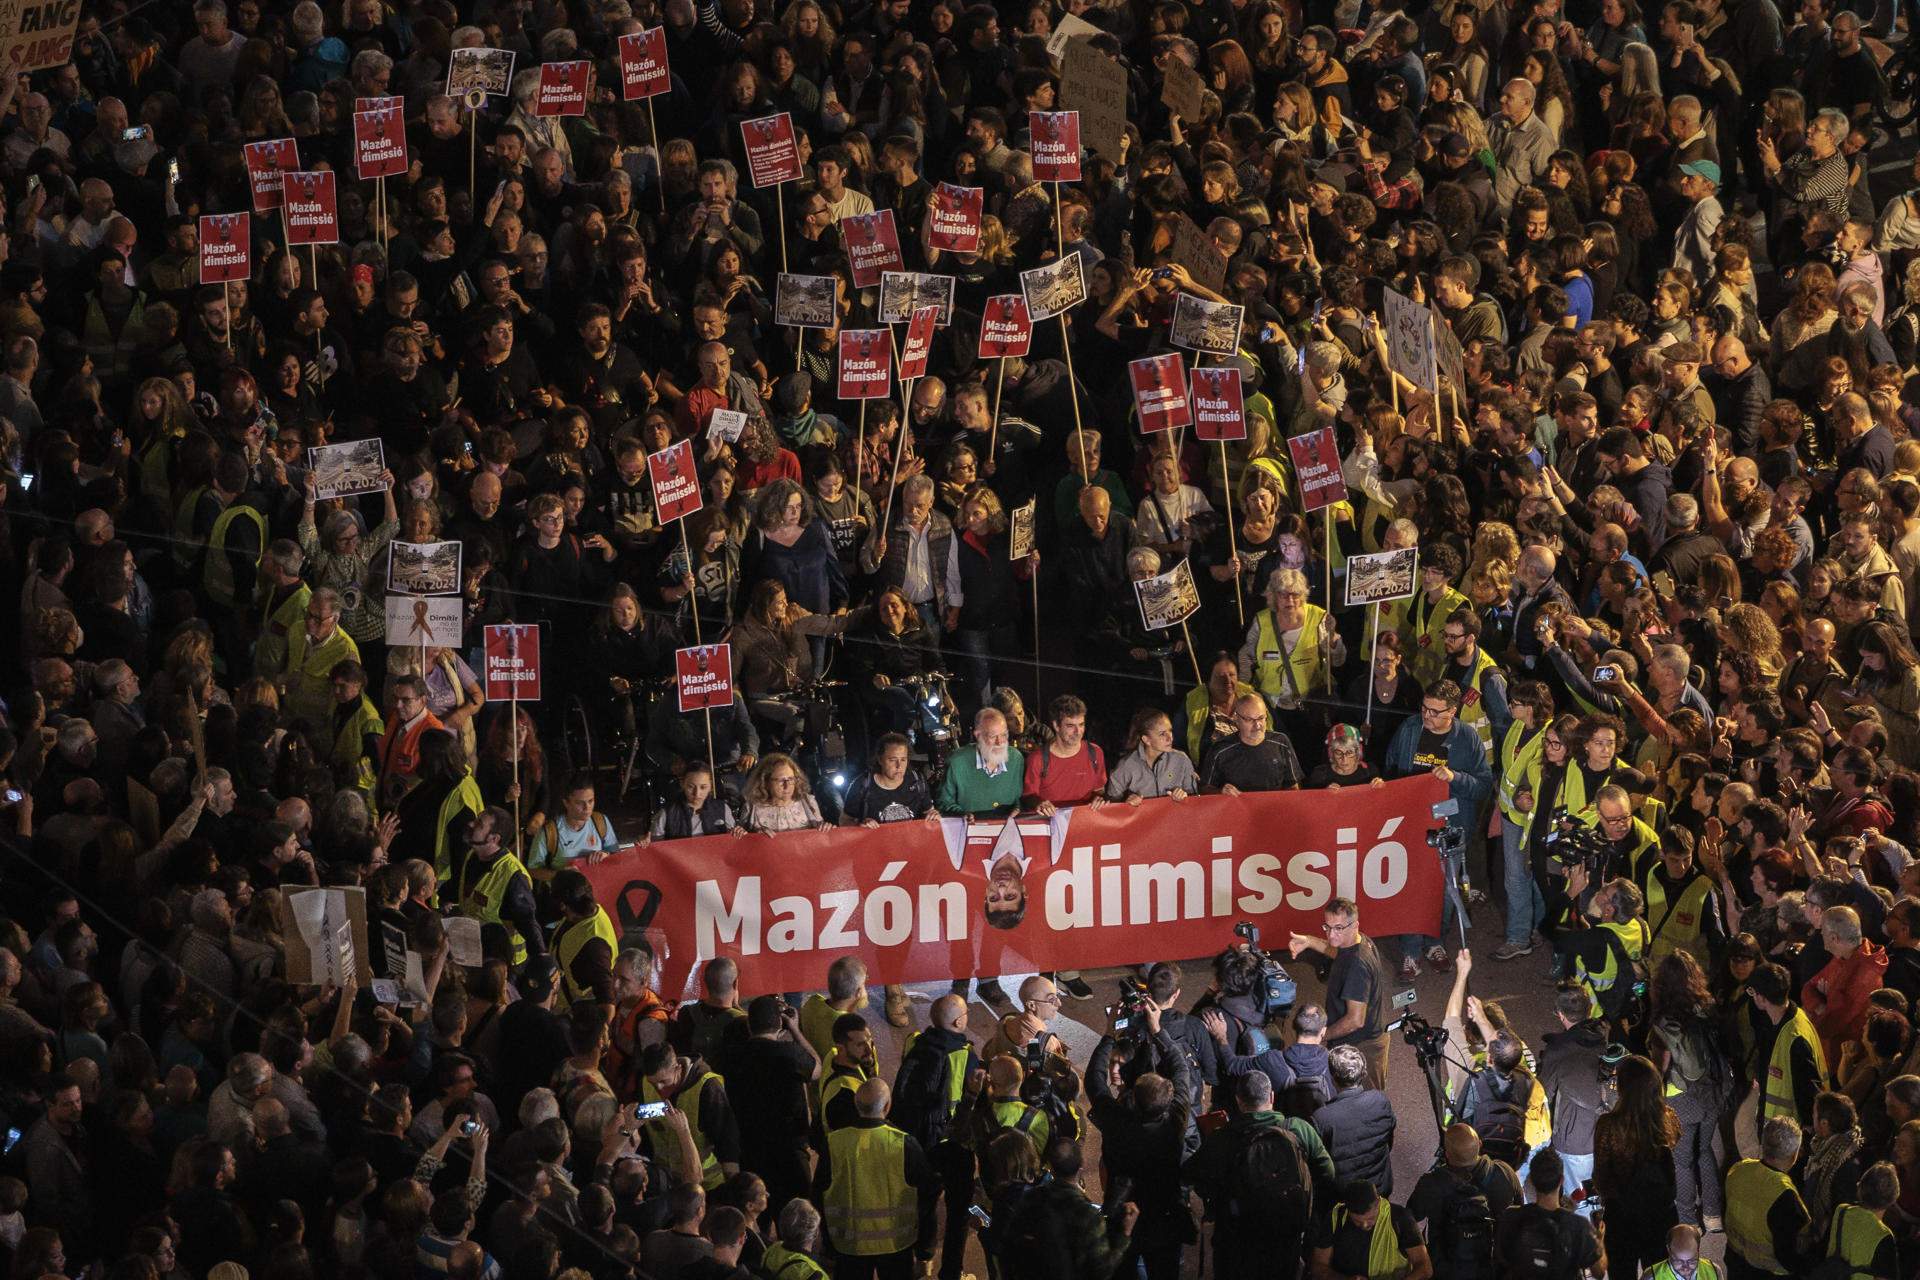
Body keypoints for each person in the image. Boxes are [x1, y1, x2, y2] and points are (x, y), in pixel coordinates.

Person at [1492, 1148, 1605, 1280]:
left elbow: (1501, 1262)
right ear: (1561, 1180)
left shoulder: (1510, 1218)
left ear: (1532, 1181)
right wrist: (1600, 1240)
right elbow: (1599, 1273)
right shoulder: (1579, 1226)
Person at [1724, 1117, 1811, 1280]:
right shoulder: (1784, 1195)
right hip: (1767, 1273)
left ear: (1763, 1144)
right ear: (1794, 1155)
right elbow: (1787, 1255)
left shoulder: (1738, 1169)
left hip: (1736, 1263)